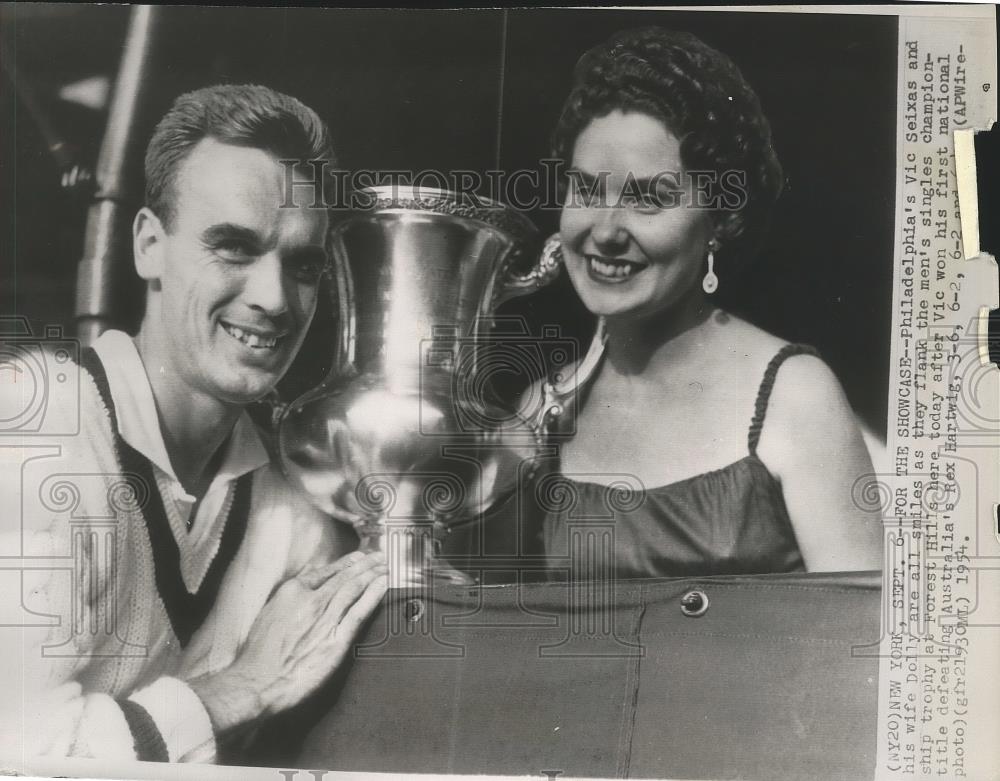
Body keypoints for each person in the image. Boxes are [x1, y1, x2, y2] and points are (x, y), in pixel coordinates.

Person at [0, 84, 386, 765]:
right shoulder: (35, 435)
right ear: (149, 245)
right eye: (234, 247)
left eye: (301, 265)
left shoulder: (295, 512)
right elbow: (18, 754)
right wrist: (236, 689)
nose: (273, 298)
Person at [529, 28, 883, 578]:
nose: (605, 231)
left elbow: (861, 640)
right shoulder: (539, 413)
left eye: (649, 198)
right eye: (585, 190)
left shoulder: (795, 395)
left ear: (721, 221)